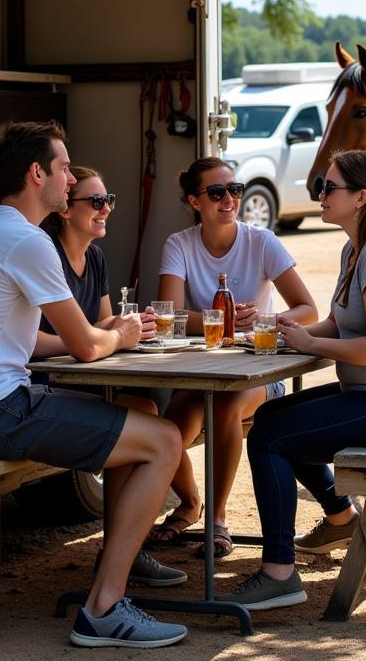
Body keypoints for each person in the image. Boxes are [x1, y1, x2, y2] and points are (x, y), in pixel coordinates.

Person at [0, 120, 187, 648]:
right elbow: (87, 349)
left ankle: (115, 581)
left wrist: (102, 332)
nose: (70, 178)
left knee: (147, 427)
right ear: (35, 172)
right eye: (64, 167)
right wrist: (121, 334)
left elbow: (33, 341)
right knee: (164, 442)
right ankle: (104, 609)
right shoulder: (26, 241)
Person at [219, 149, 366, 611]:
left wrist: (312, 345)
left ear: (361, 197)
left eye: (329, 188)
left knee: (270, 437)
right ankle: (339, 518)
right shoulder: (357, 247)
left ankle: (279, 572)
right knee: (271, 415)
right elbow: (341, 323)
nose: (320, 194)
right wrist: (291, 332)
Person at [145, 157, 317, 559]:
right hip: (204, 371)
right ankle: (190, 503)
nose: (230, 199)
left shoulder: (261, 241)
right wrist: (219, 321)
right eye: (217, 192)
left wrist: (264, 320)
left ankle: (217, 518)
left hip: (257, 372)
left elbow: (307, 309)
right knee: (165, 431)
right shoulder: (180, 243)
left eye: (234, 190)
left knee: (225, 405)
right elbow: (168, 315)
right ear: (195, 201)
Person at [30, 163, 187, 591]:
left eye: (109, 201)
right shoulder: (45, 253)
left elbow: (101, 324)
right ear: (65, 209)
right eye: (95, 202)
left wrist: (127, 326)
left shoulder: (94, 256)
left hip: (82, 375)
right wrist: (100, 338)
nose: (105, 210)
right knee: (143, 416)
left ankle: (123, 550)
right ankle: (124, 557)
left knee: (143, 406)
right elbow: (34, 341)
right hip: (45, 384)